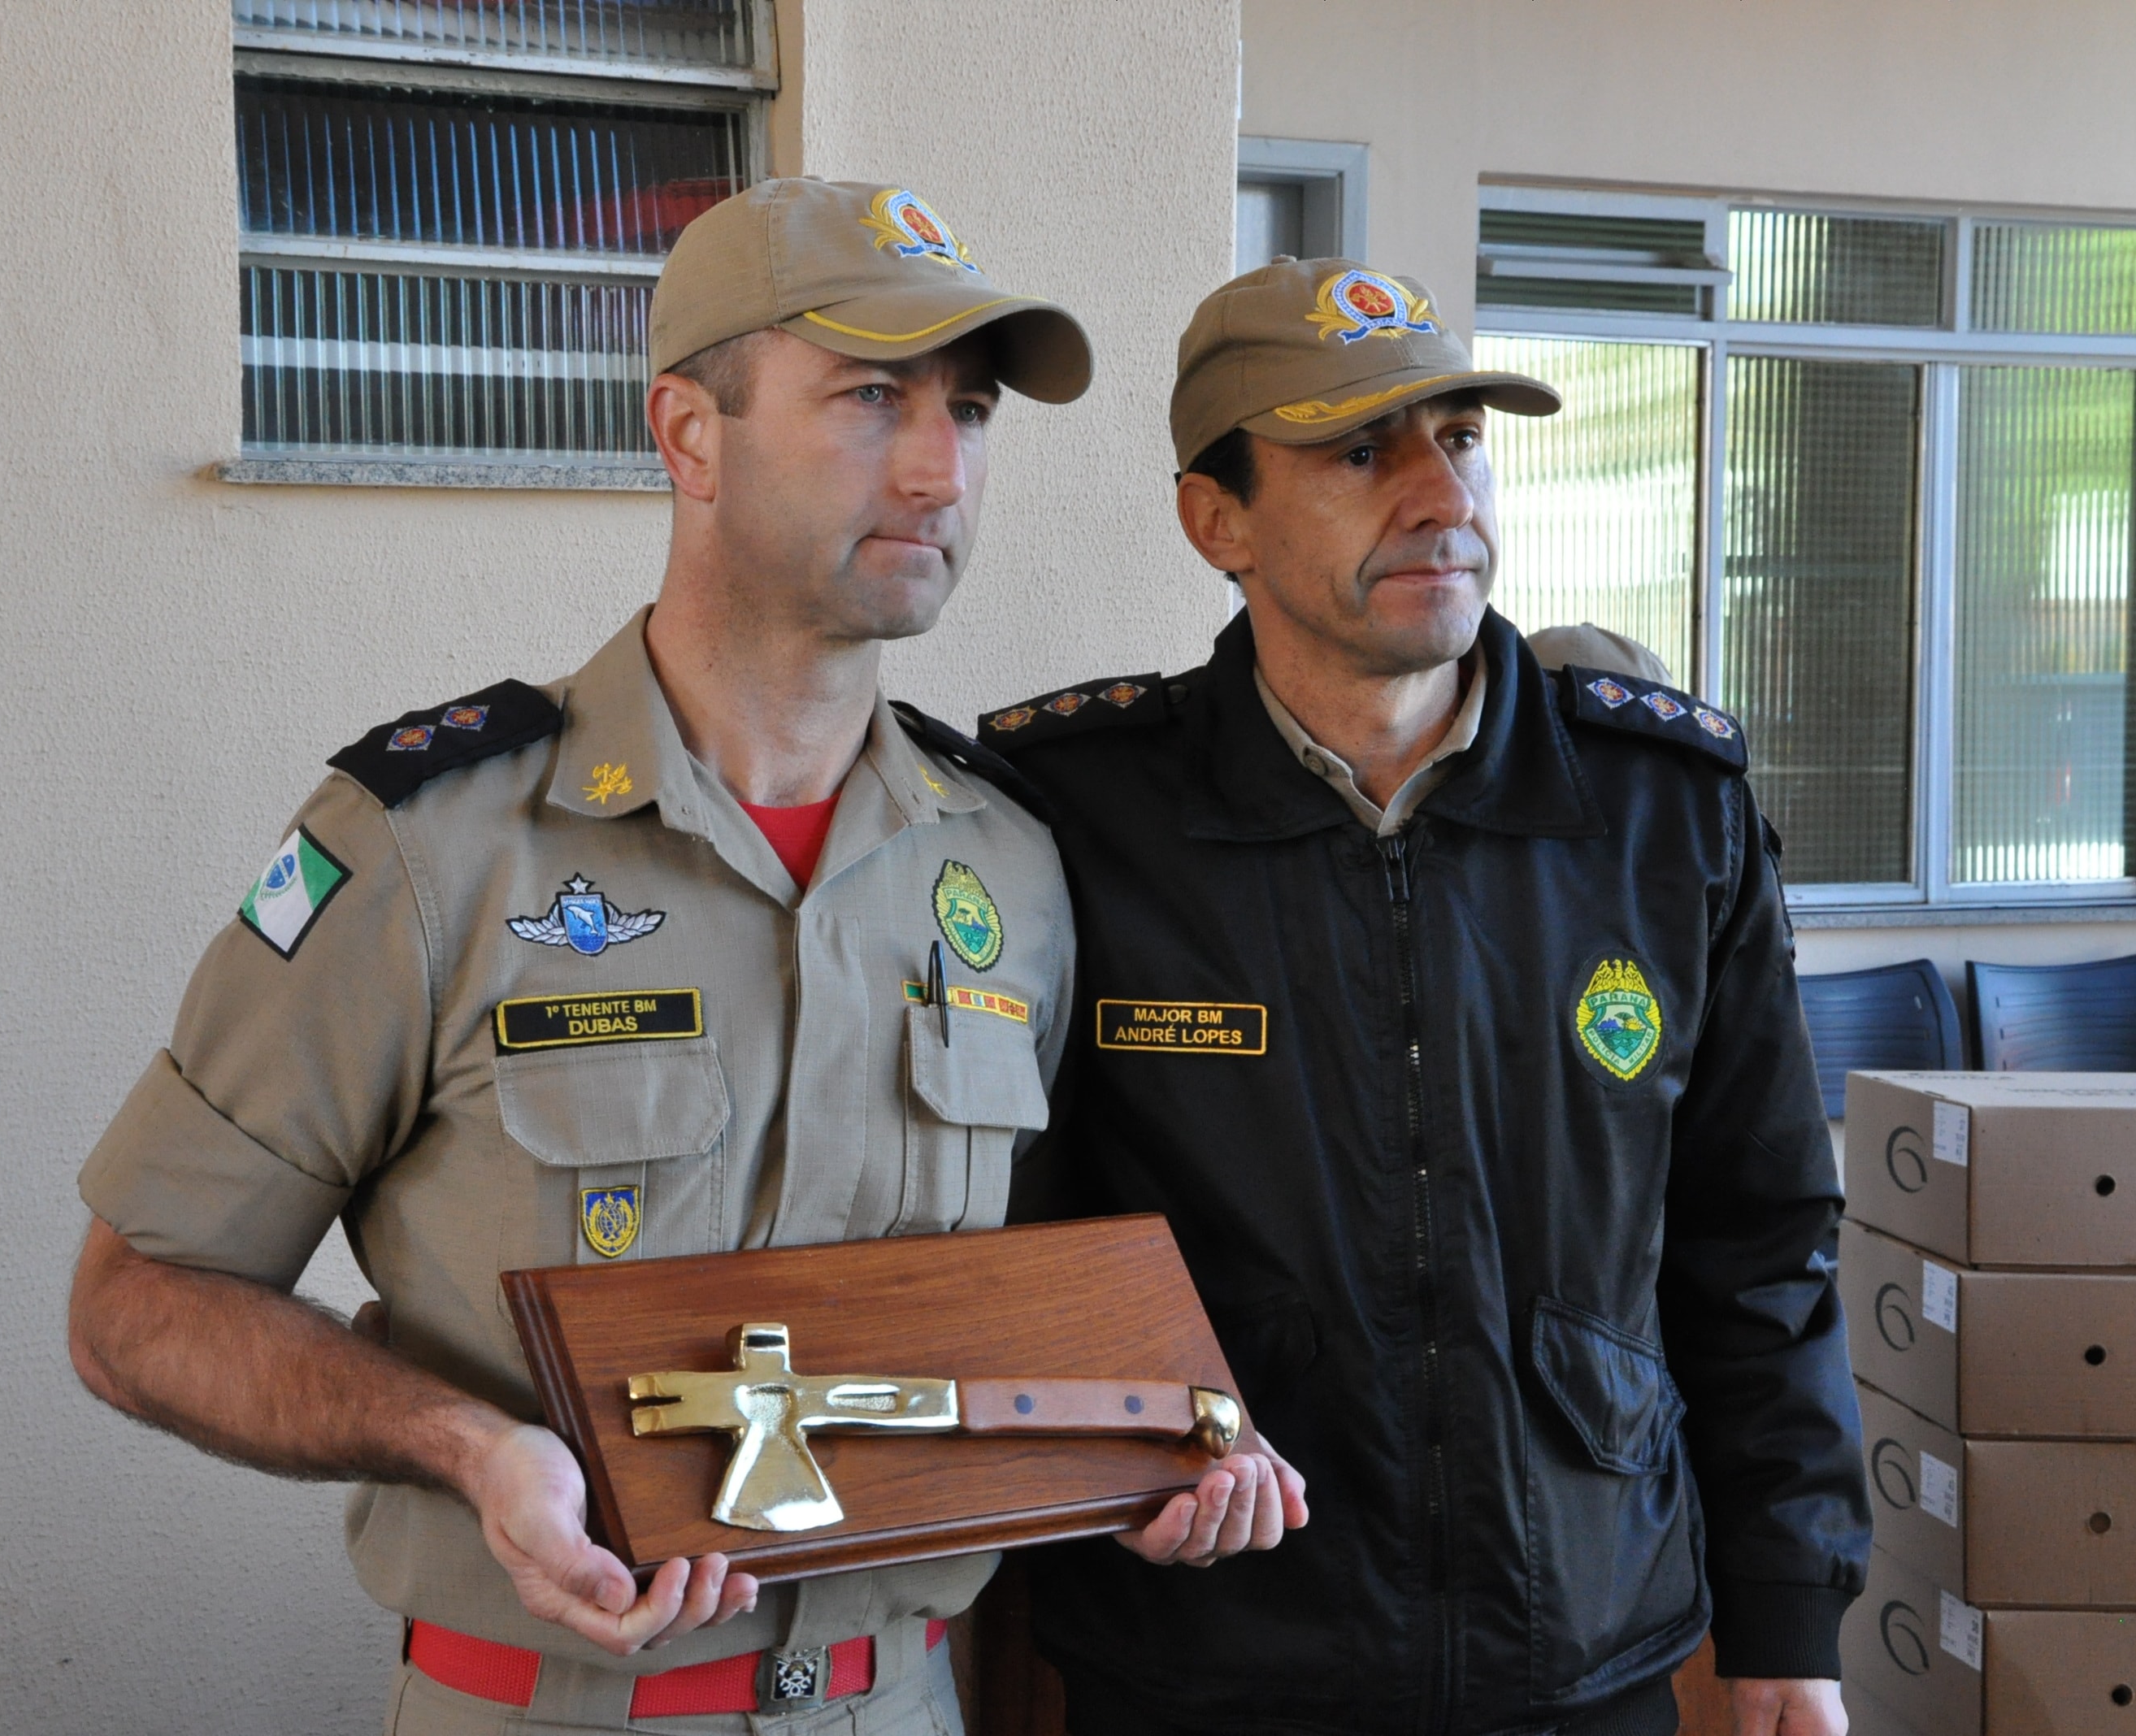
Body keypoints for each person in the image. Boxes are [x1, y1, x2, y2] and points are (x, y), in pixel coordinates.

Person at [64, 179, 1290, 1736]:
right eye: (871, 397)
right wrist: (466, 1446)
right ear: (690, 436)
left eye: (971, 412)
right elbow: (138, 1300)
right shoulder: (437, 847)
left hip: (897, 1705)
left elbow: (1017, 1310)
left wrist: (1150, 1450)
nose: (940, 469)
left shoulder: (1009, 869)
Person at [981, 258, 1869, 1736]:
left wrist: (1789, 1614)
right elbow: (1011, 1231)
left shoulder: (1662, 812)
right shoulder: (1078, 818)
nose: (1442, 496)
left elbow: (1761, 1239)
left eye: (1460, 439)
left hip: (1584, 1650)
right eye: (1356, 452)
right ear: (1217, 520)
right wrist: (1109, 1454)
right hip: (1210, 1659)